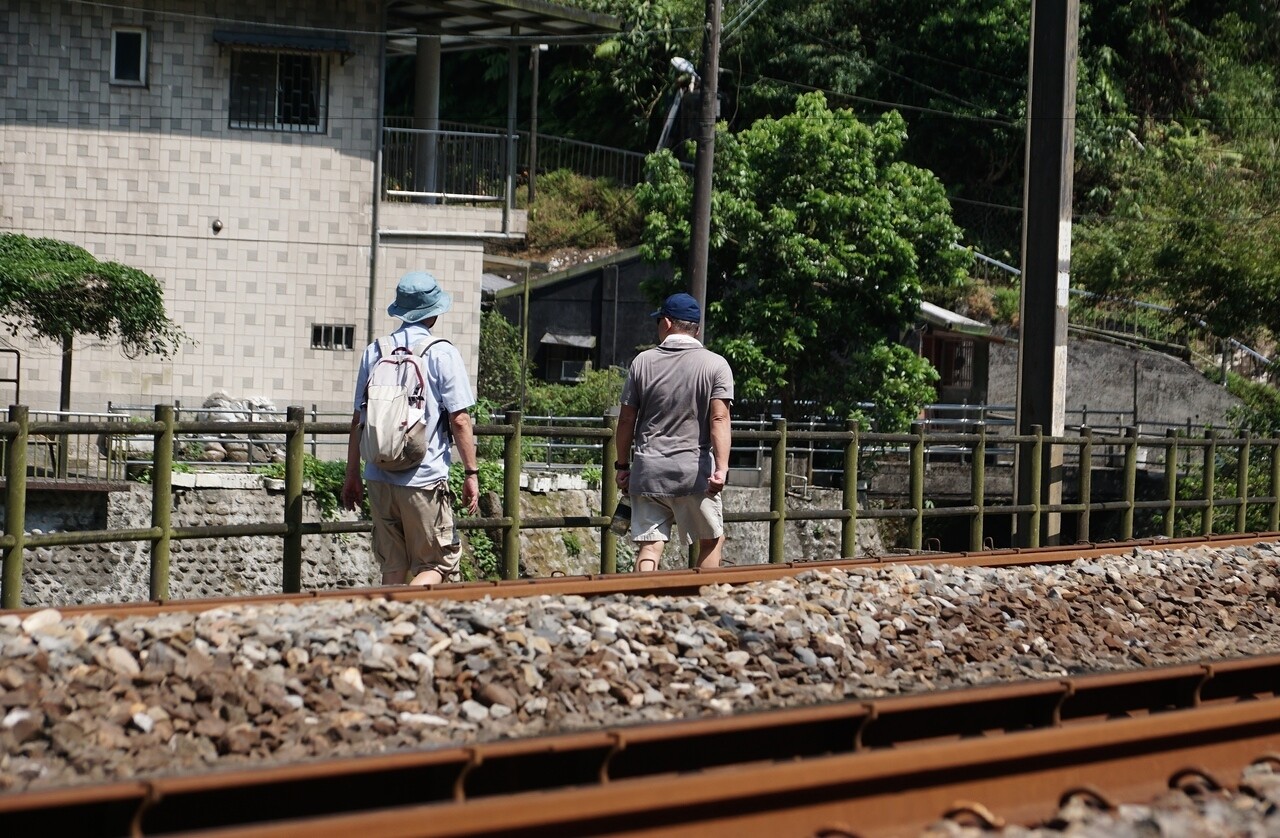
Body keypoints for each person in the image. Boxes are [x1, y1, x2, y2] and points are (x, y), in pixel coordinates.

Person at [341, 271, 480, 586]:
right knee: (437, 565)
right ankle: (405, 623)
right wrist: (471, 473)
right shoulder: (442, 352)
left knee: (393, 566)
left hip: (378, 474)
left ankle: (389, 627)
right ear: (432, 313)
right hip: (423, 478)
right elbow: (459, 419)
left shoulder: (375, 352)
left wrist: (352, 474)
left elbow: (358, 420)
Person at [614, 292, 734, 571]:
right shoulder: (716, 365)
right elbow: (719, 418)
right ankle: (706, 604)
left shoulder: (642, 362)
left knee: (651, 545)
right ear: (697, 329)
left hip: (648, 471)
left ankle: (644, 602)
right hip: (694, 473)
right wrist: (722, 469)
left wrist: (622, 465)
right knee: (711, 540)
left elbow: (625, 420)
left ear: (666, 323)